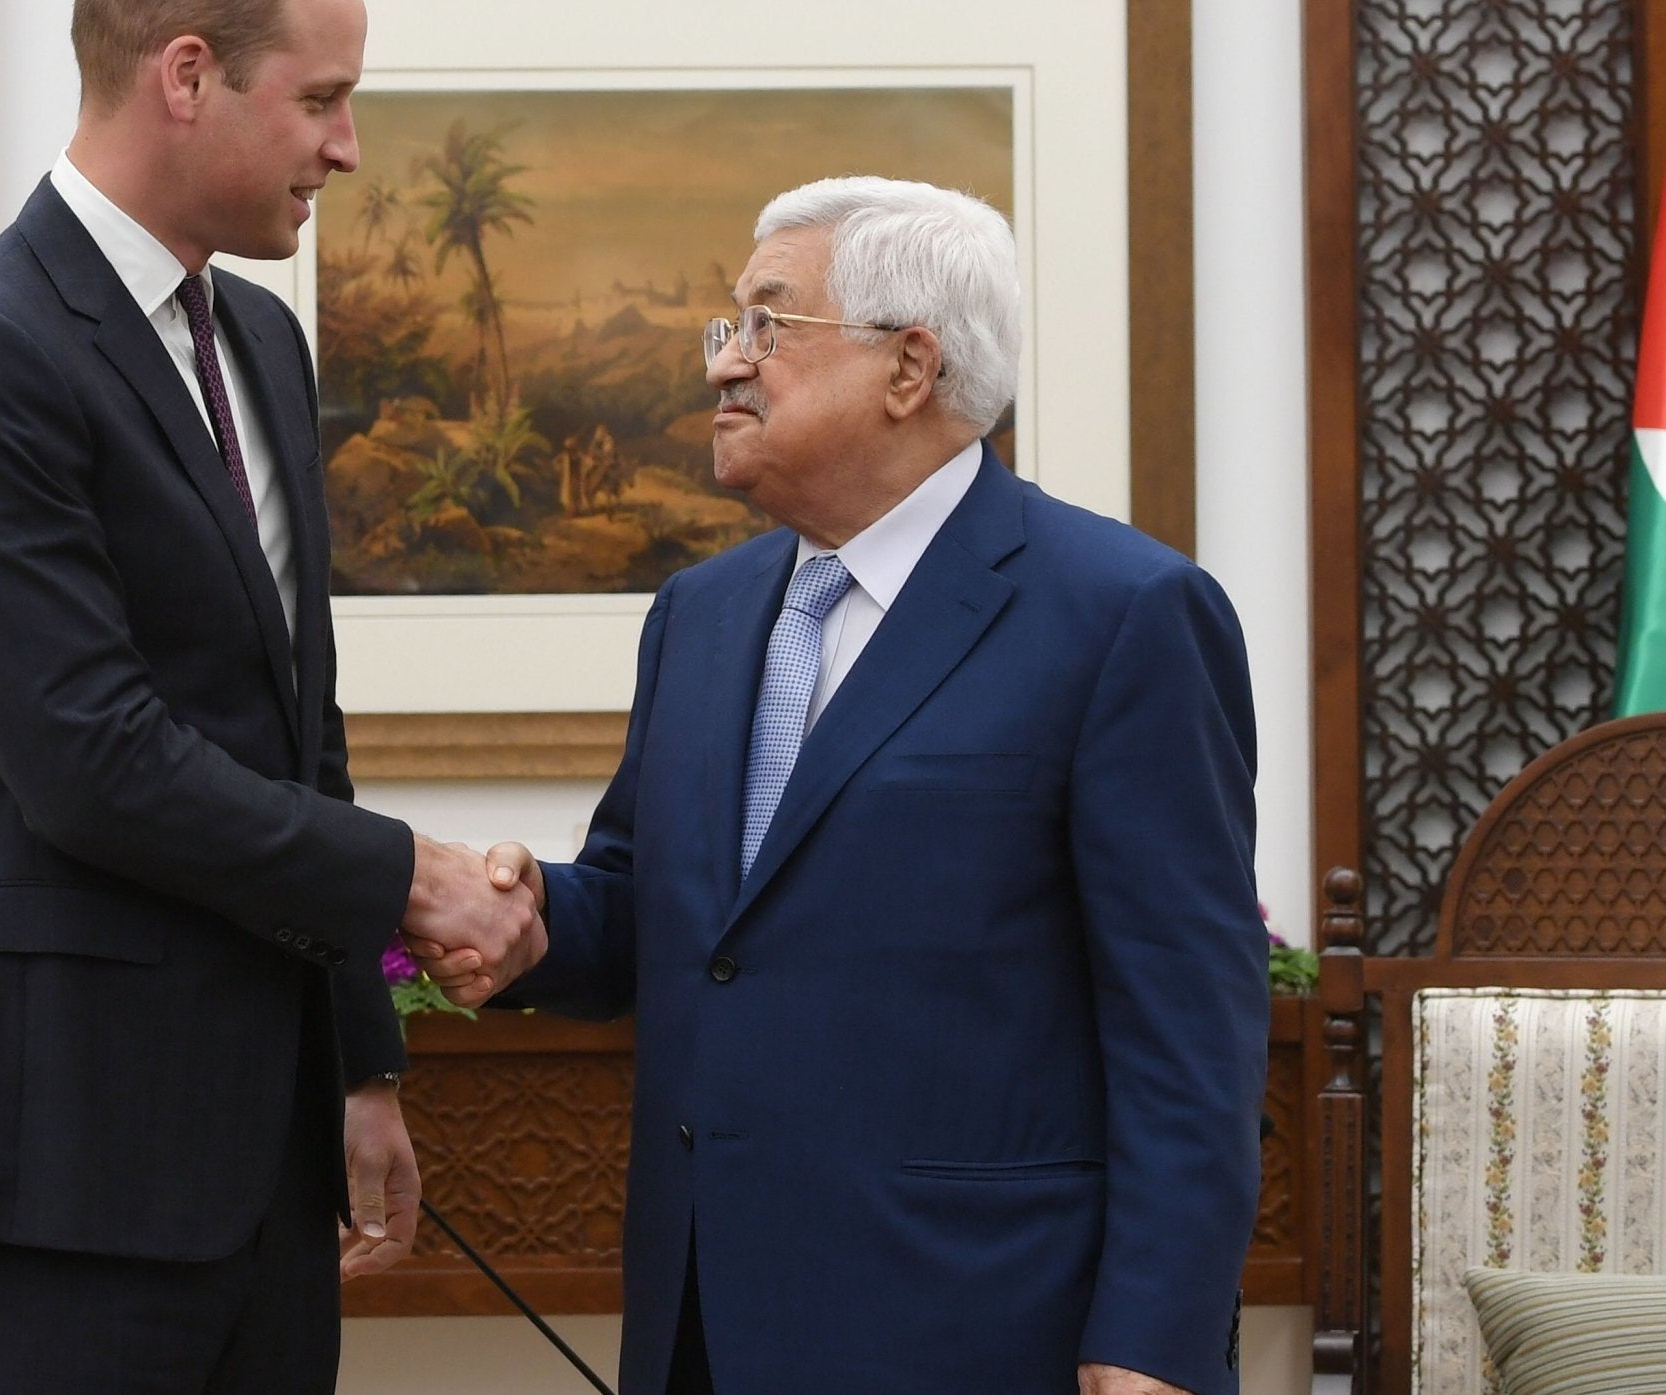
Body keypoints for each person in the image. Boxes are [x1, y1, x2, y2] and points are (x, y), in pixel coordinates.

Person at [416, 178, 1267, 1395]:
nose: (723, 365)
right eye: (727, 327)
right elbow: (657, 909)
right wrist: (525, 914)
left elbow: (1189, 1025)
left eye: (767, 324)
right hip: (704, 1319)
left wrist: (1154, 1336)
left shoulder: (1121, 612)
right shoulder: (697, 617)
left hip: (980, 1324)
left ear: (908, 367)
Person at [0, 0, 533, 1395]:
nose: (345, 150)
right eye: (321, 100)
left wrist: (361, 1048)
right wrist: (417, 879)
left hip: (268, 1158)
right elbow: (88, 761)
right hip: (59, 1168)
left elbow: (304, 737)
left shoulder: (266, 345)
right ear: (185, 74)